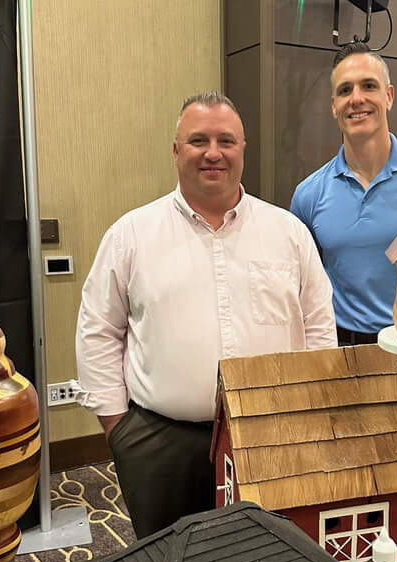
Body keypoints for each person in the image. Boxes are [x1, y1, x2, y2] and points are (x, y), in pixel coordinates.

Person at [76, 91, 336, 538]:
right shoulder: (131, 235)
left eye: (226, 141)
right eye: (198, 140)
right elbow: (98, 329)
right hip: (159, 443)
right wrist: (118, 428)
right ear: (177, 151)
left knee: (269, 557)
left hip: (273, 436)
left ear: (242, 150)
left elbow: (317, 326)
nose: (213, 153)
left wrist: (308, 412)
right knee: (167, 561)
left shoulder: (289, 233)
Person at [290, 42, 397, 345]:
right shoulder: (308, 195)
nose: (356, 99)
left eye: (369, 86)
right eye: (345, 90)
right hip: (340, 353)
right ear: (334, 106)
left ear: (389, 96)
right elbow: (302, 287)